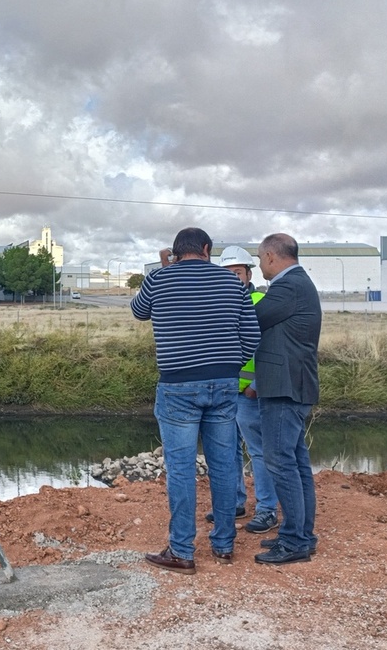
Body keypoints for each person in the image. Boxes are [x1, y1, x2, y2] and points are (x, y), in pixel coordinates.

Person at [132, 228, 261, 574]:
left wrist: (161, 268)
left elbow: (138, 311)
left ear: (175, 252)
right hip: (223, 385)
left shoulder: (159, 279)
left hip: (177, 386)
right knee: (223, 466)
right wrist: (231, 366)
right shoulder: (233, 284)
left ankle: (182, 550)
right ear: (207, 249)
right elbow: (252, 336)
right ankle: (223, 544)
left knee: (181, 469)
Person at [252, 233, 322, 565]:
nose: (259, 265)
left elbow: (254, 317)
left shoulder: (287, 286)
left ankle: (295, 541)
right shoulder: (298, 282)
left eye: (259, 258)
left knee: (281, 463)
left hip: (285, 388)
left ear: (270, 256)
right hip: (293, 384)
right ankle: (301, 535)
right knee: (295, 464)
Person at [212, 245, 280, 536]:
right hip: (225, 392)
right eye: (227, 274)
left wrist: (256, 385)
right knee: (228, 453)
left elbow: (270, 348)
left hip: (251, 395)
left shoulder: (259, 301)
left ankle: (266, 510)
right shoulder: (219, 302)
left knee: (259, 453)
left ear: (248, 274)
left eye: (237, 272)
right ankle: (234, 504)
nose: (232, 278)